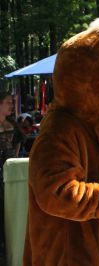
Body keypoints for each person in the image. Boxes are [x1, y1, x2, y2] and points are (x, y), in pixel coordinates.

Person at [0, 91, 23, 259]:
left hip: (10, 171)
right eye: (8, 102)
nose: (11, 105)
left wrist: (13, 157)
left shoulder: (12, 124)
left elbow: (20, 139)